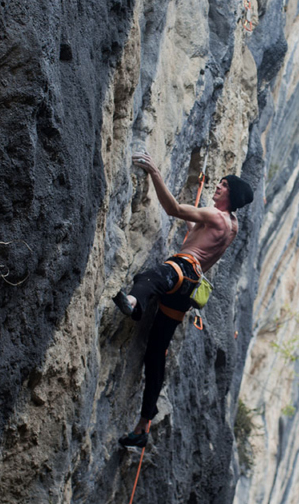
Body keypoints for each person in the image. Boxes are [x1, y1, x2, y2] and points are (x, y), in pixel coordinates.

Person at [113, 152, 254, 448]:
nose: (217, 186)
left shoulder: (215, 215)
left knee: (147, 279)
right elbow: (208, 243)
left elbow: (174, 208)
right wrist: (194, 230)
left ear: (232, 194)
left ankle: (133, 304)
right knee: (155, 354)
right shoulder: (231, 225)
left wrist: (154, 172)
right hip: (188, 290)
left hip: (182, 269)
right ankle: (143, 425)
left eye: (223, 185)